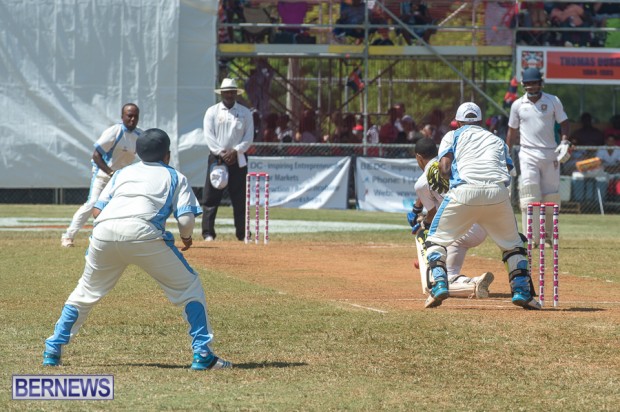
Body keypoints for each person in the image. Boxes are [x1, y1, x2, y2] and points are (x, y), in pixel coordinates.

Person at [43, 128, 231, 370]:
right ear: (167, 154)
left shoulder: (122, 173)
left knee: (86, 291)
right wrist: (186, 238)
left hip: (103, 233)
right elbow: (186, 219)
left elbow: (97, 210)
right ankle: (203, 353)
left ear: (138, 153)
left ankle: (53, 347)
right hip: (144, 233)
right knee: (189, 287)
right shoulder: (175, 176)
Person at [423, 102, 540, 310]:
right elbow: (508, 170)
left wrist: (445, 178)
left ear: (458, 122)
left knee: (435, 240)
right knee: (514, 245)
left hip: (465, 191)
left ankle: (440, 284)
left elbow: (445, 168)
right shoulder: (496, 139)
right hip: (498, 193)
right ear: (480, 121)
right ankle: (522, 291)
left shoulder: (452, 135)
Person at [407, 137, 494, 299]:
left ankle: (471, 282)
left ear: (418, 157)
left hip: (462, 229)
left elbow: (433, 213)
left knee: (438, 281)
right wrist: (417, 207)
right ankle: (476, 282)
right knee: (450, 270)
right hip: (483, 221)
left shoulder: (421, 183)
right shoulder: (450, 164)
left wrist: (423, 225)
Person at [60, 103, 142, 248]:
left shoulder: (140, 135)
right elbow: (96, 156)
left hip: (122, 177)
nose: (132, 119)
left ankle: (116, 238)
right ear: (122, 116)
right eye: (129, 116)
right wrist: (110, 172)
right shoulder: (114, 131)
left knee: (124, 207)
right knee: (92, 203)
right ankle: (68, 236)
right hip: (104, 175)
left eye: (136, 116)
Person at [506, 67, 570, 245]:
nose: (532, 86)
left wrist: (565, 141)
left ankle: (548, 236)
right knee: (529, 194)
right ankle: (531, 237)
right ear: (523, 85)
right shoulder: (517, 105)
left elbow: (564, 122)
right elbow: (512, 131)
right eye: (528, 83)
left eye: (535, 83)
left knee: (551, 196)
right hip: (527, 153)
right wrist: (506, 154)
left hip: (551, 153)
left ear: (541, 83)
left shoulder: (553, 101)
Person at [202, 78, 254, 242]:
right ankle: (208, 233)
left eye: (232, 92)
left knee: (240, 197)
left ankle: (242, 233)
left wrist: (236, 151)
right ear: (222, 93)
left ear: (236, 93)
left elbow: (249, 136)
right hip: (217, 158)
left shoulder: (245, 113)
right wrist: (221, 153)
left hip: (238, 158)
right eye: (227, 92)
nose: (229, 95)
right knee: (211, 196)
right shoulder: (212, 111)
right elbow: (209, 136)